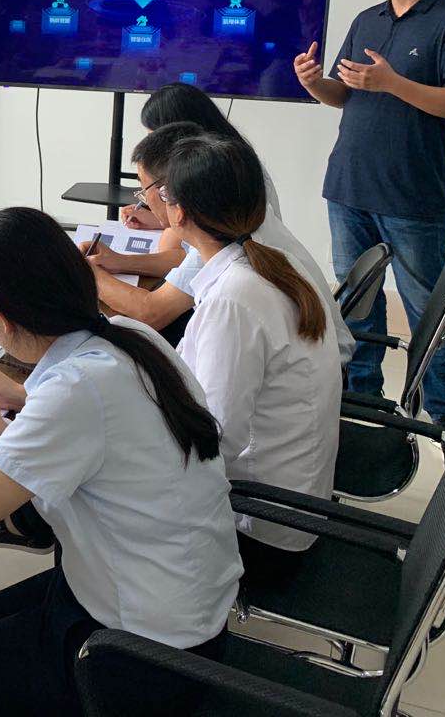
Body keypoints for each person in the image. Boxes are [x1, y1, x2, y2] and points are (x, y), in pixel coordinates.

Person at [0, 208, 242, 717]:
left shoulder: (76, 391)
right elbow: (99, 420)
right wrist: (20, 396)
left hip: (144, 653)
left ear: (0, 319)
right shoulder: (129, 336)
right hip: (180, 601)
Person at [294, 0, 445, 421]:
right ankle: (364, 400)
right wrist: (314, 83)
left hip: (411, 194)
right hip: (348, 186)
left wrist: (394, 83)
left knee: (428, 310)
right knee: (357, 303)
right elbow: (346, 96)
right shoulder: (368, 20)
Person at [160, 135, 342, 577]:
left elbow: (212, 438)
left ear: (178, 213)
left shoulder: (235, 299)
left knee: (90, 495)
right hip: (292, 501)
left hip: (261, 527)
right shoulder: (270, 262)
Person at [86, 123, 353, 366]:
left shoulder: (229, 297)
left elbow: (151, 313)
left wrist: (86, 273)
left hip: (313, 368)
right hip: (315, 362)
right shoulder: (233, 226)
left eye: (144, 191)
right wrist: (120, 260)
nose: (144, 201)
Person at [135, 81, 282, 221]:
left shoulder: (216, 170)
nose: (153, 149)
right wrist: (159, 220)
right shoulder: (227, 156)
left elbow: (209, 230)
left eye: (156, 138)